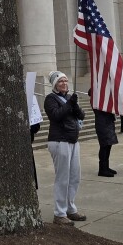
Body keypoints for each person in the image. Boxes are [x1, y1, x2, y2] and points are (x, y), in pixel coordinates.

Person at [44, 71, 86, 225]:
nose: (64, 83)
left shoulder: (68, 98)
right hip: (59, 141)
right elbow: (56, 116)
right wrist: (69, 104)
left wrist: (74, 104)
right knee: (63, 177)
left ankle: (70, 208)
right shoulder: (50, 99)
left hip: (73, 140)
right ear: (55, 84)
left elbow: (81, 116)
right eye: (61, 81)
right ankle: (59, 213)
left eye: (66, 81)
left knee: (74, 176)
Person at [91, 87, 118, 177]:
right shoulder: (96, 100)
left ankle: (106, 166)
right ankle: (102, 169)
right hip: (102, 123)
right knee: (104, 146)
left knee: (108, 145)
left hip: (108, 122)